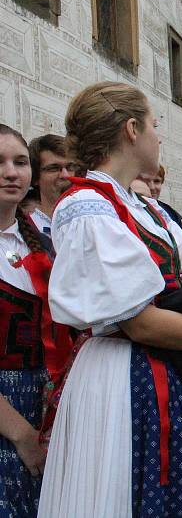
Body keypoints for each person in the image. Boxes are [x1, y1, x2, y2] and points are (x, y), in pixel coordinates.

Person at [38, 82, 182, 517]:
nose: (159, 136)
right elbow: (140, 323)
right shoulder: (85, 208)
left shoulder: (146, 208)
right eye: (155, 125)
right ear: (132, 130)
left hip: (178, 372)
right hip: (125, 377)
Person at [0, 124, 71, 518]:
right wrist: (21, 434)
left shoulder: (38, 243)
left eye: (20, 162)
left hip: (44, 402)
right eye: (0, 163)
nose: (11, 172)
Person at [27, 134, 78, 234]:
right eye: (53, 168)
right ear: (35, 178)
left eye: (70, 167)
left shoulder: (88, 220)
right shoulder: (25, 228)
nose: (65, 175)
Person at [142, 164, 182, 237]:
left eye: (156, 181)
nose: (152, 187)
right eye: (146, 181)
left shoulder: (170, 213)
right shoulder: (126, 209)